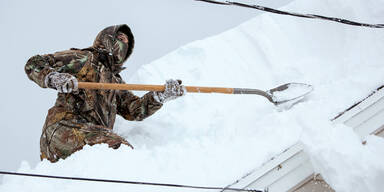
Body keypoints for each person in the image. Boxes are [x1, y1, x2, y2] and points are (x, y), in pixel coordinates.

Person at [25, 24, 185, 162]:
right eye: (120, 38)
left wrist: (160, 96)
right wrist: (53, 77)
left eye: (126, 44)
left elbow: (134, 110)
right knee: (118, 151)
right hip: (64, 129)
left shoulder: (115, 83)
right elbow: (35, 63)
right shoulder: (83, 58)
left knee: (118, 156)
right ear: (107, 38)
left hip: (91, 135)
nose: (123, 44)